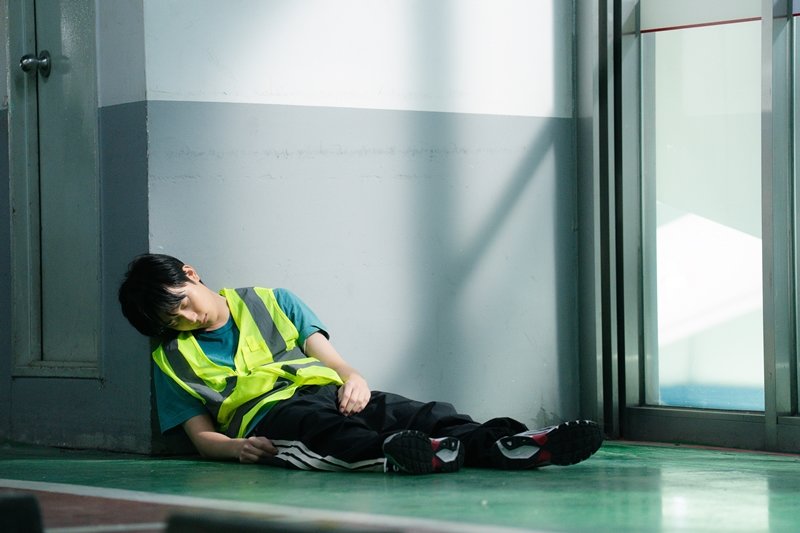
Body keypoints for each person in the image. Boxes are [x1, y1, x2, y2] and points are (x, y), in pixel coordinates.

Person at [118, 253, 603, 474]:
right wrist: (236, 449)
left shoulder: (272, 300)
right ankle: (406, 455)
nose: (186, 319)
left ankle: (504, 443)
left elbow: (333, 361)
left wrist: (355, 379)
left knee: (421, 412)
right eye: (171, 320)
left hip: (330, 391)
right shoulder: (171, 359)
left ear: (191, 274)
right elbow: (202, 438)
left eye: (182, 303)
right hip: (271, 418)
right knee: (328, 434)